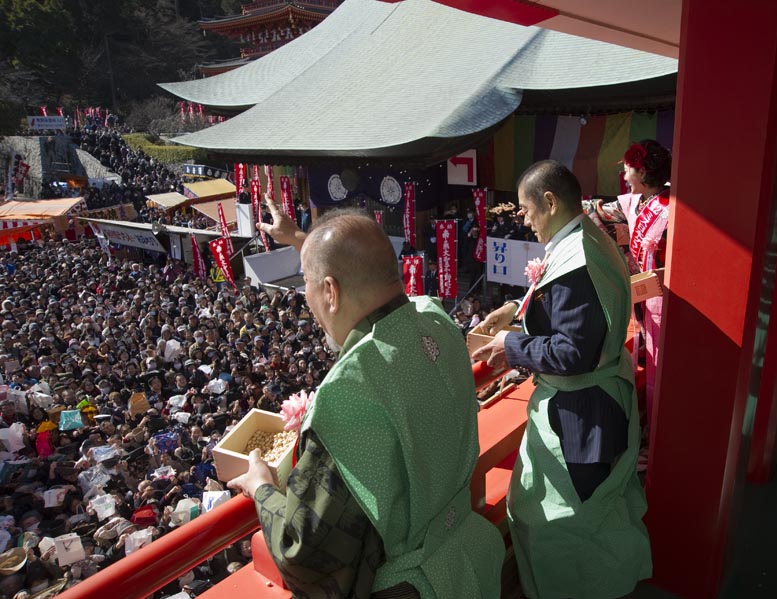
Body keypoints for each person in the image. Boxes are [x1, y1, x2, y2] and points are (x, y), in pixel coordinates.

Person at [229, 196, 504, 598]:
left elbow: (302, 551)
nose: (306, 300)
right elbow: (356, 269)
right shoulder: (437, 320)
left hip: (415, 585)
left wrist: (261, 488)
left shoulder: (350, 392)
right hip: (471, 556)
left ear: (330, 292)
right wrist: (302, 241)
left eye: (305, 282)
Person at [472, 160, 651, 599]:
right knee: (594, 514)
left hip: (581, 415)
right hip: (598, 401)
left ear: (549, 202)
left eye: (526, 210)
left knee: (564, 522)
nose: (525, 220)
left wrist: (510, 348)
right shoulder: (585, 237)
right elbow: (566, 306)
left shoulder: (576, 258)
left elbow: (573, 351)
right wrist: (513, 312)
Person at [617, 139, 672, 427]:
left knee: (663, 365)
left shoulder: (670, 209)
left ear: (642, 173)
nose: (624, 177)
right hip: (644, 300)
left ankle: (660, 432)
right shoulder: (635, 203)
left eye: (628, 170)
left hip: (664, 301)